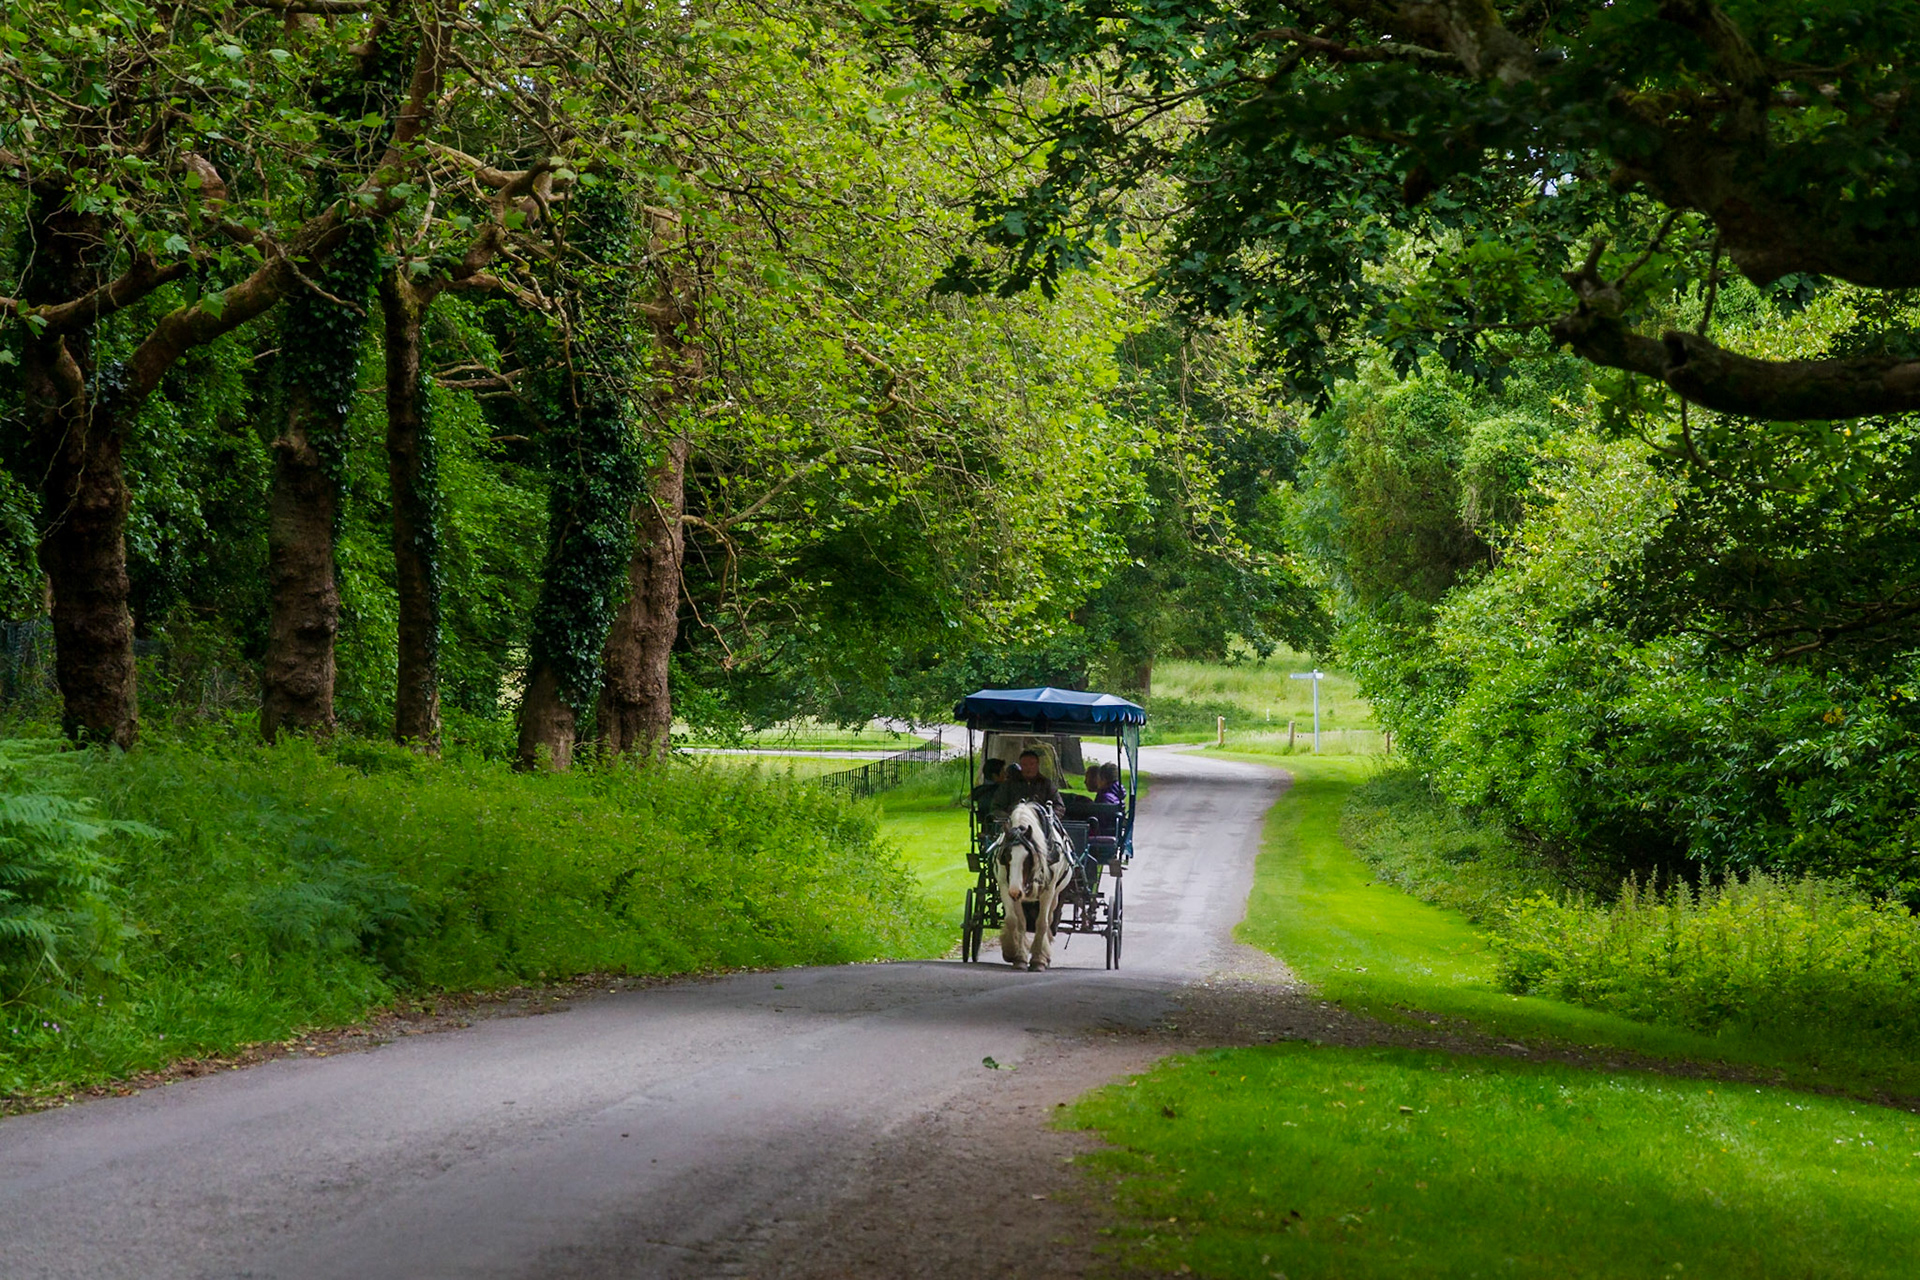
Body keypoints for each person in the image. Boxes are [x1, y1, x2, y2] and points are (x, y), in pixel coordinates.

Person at [990, 749, 1064, 820]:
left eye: (1032, 764)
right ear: (1021, 766)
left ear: (1037, 765)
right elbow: (996, 807)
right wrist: (1010, 817)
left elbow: (1059, 806)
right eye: (1025, 765)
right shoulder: (1009, 785)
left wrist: (1047, 818)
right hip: (1013, 824)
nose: (1028, 768)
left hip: (1041, 825)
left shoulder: (1047, 784)